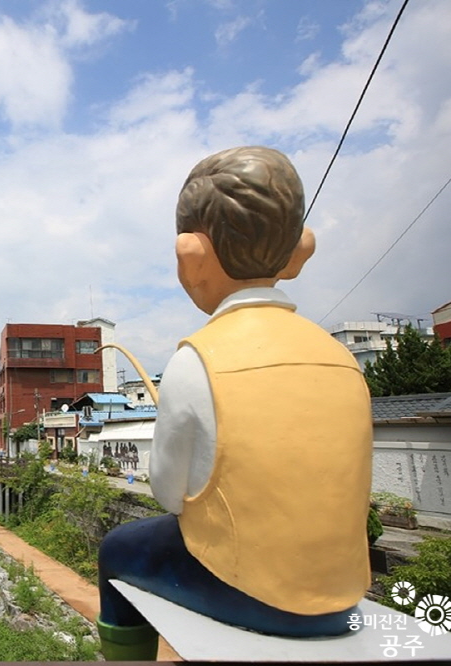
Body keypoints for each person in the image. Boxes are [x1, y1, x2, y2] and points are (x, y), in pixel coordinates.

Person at [97, 147, 372, 659]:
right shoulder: (343, 358)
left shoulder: (197, 356)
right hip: (343, 596)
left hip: (250, 592)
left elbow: (168, 494)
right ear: (299, 251)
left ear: (190, 256)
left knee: (117, 550)